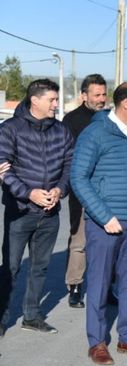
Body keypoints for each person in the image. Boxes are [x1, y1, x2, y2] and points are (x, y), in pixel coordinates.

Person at [71, 82, 127, 365]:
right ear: (126, 104)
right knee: (98, 282)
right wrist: (103, 216)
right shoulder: (94, 134)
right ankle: (97, 342)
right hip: (104, 223)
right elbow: (78, 178)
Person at [0, 79, 74, 336]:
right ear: (35, 100)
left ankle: (31, 316)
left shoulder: (61, 130)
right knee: (10, 267)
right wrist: (28, 193)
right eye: (52, 99)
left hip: (50, 213)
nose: (56, 104)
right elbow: (3, 169)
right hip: (20, 212)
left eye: (56, 99)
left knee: (40, 267)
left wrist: (59, 190)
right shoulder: (10, 129)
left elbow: (70, 164)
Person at [61, 73, 108, 308]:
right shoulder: (71, 121)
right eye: (96, 95)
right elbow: (65, 157)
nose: (101, 99)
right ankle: (75, 286)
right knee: (79, 241)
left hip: (108, 191)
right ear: (84, 96)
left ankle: (107, 287)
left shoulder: (110, 119)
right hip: (81, 191)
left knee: (108, 242)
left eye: (104, 94)